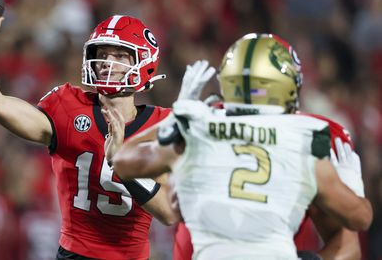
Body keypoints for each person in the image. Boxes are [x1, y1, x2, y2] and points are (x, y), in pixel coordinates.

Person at [112, 34, 373, 259]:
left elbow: (123, 160)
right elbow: (357, 226)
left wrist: (176, 121)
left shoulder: (200, 126)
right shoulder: (305, 138)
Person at [0, 11, 179, 259]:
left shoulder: (163, 126)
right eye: (102, 54)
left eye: (119, 55)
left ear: (144, 61)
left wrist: (123, 166)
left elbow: (168, 212)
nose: (106, 61)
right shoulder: (68, 107)